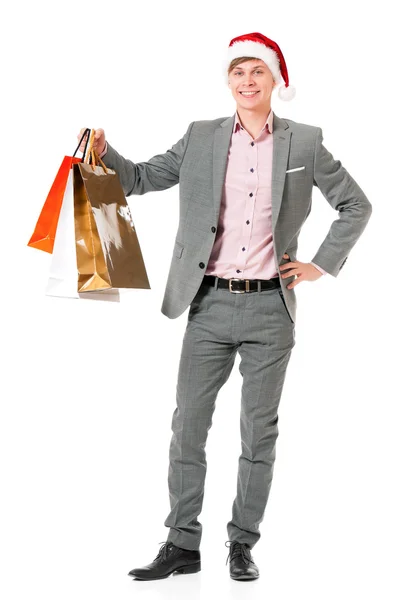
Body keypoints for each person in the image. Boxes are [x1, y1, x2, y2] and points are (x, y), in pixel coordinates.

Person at [77, 32, 372, 582]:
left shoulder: (304, 143)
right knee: (188, 425)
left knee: (258, 434)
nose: (246, 81)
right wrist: (104, 153)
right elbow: (140, 178)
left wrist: (320, 265)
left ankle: (241, 543)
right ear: (228, 81)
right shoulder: (203, 137)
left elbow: (356, 204)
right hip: (207, 303)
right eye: (237, 72)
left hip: (270, 310)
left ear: (275, 79)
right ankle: (182, 543)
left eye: (257, 71)